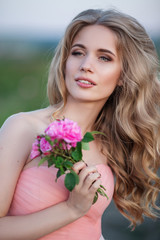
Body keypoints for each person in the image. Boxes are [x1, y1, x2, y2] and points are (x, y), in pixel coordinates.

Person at [0, 8, 160, 240]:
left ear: (124, 75)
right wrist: (72, 208)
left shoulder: (110, 143)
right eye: (78, 52)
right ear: (65, 60)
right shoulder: (22, 128)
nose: (86, 65)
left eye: (104, 57)